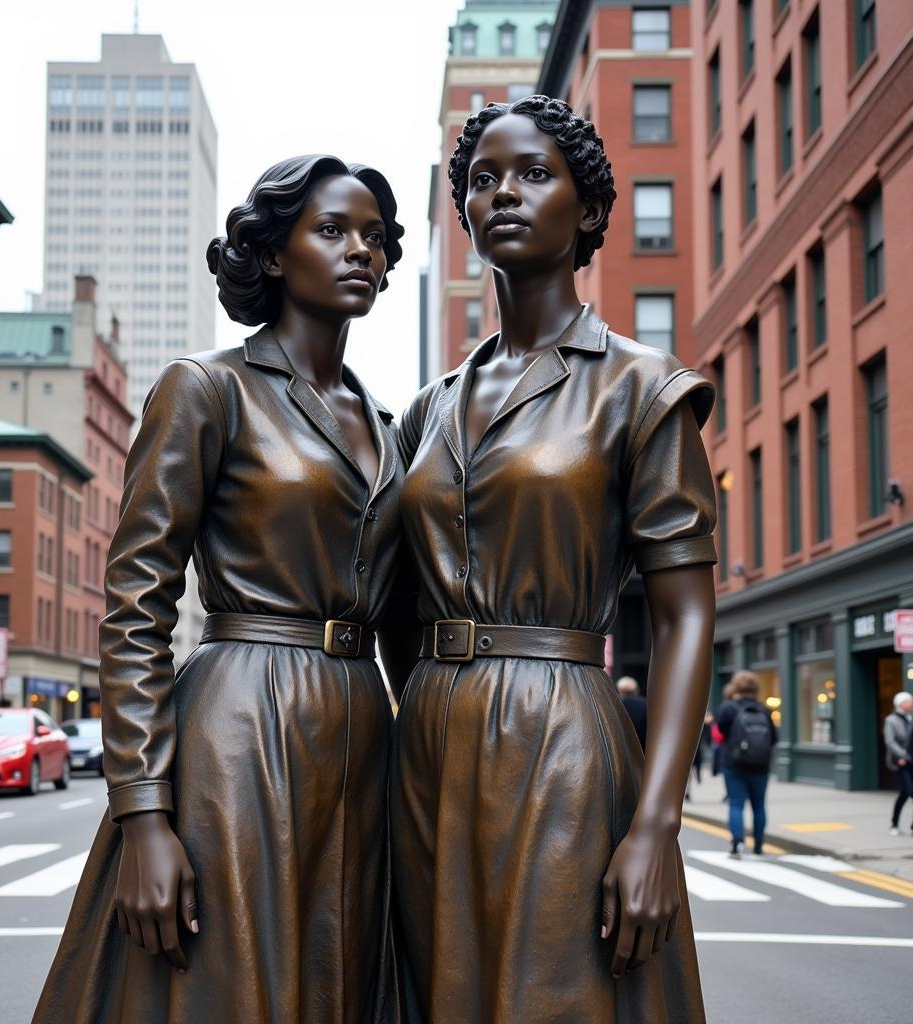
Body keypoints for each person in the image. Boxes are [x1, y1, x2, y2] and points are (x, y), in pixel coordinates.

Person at [33, 155, 405, 1024]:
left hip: (361, 734)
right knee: (230, 987)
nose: (362, 251)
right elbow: (136, 609)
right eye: (333, 231)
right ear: (273, 255)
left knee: (341, 982)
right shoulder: (208, 390)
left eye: (377, 239)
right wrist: (143, 817)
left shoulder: (386, 424)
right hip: (240, 731)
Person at [382, 95, 715, 1023]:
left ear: (591, 210)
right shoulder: (429, 407)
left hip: (562, 734)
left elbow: (688, 615)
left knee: (555, 993)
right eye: (483, 180)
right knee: (433, 989)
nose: (504, 194)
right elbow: (399, 603)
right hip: (429, 747)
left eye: (534, 173)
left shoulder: (643, 388)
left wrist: (655, 824)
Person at [716, 671, 776, 858]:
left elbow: (721, 733)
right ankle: (758, 845)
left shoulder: (728, 708)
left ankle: (737, 844)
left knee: (736, 804)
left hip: (734, 764)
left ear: (735, 687)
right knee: (759, 806)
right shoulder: (764, 709)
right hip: (761, 765)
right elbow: (774, 738)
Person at [884, 691, 913, 836]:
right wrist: (903, 755)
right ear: (901, 704)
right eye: (909, 701)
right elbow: (890, 741)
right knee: (906, 791)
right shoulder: (891, 720)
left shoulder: (911, 718)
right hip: (900, 762)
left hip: (911, 760)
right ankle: (894, 824)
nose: (911, 704)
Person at [616, 674, 647, 750]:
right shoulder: (645, 705)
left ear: (619, 690)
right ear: (636, 690)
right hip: (641, 750)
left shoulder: (614, 704)